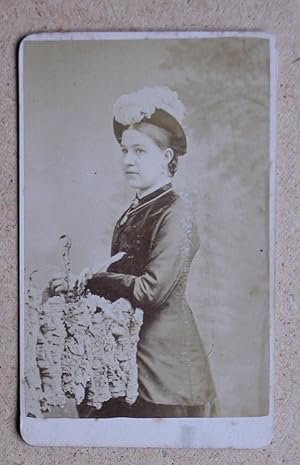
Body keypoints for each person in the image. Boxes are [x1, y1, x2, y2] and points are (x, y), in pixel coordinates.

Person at [51, 86, 216, 418]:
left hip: (165, 373)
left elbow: (150, 291)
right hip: (127, 359)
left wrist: (96, 280)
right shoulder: (138, 208)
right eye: (124, 150)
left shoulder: (176, 212)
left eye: (139, 151)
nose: (127, 160)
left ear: (167, 157)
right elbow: (123, 275)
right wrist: (79, 284)